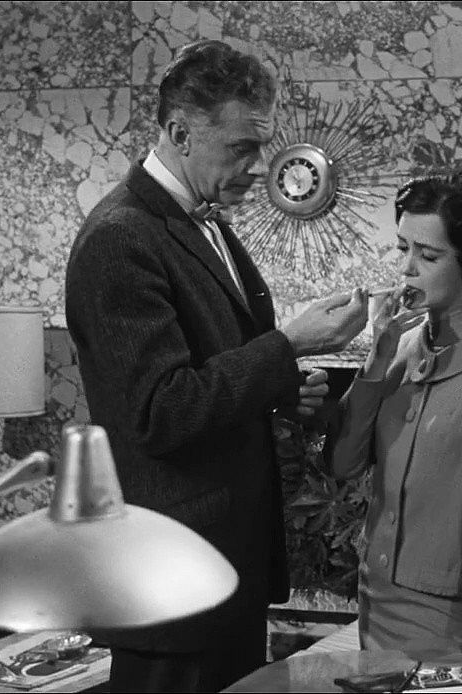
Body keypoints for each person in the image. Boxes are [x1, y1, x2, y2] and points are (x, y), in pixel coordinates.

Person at [65, 40, 367, 693]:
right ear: (180, 133)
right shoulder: (121, 237)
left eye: (260, 147)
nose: (256, 167)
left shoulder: (206, 219)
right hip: (170, 579)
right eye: (241, 148)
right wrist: (288, 345)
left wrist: (286, 389)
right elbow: (158, 412)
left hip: (225, 565)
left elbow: (217, 364)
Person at [324, 171, 462, 663]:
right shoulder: (405, 346)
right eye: (402, 248)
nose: (407, 269)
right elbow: (343, 464)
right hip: (375, 598)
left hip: (447, 618)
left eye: (428, 256)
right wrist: (377, 359)